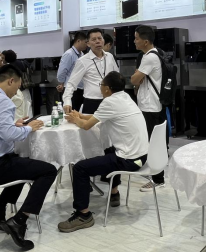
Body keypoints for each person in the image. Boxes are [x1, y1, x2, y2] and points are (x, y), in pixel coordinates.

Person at [0, 65, 57, 251]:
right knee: (48, 170)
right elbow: (9, 135)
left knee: (21, 161)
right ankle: (19, 220)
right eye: (18, 86)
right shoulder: (3, 101)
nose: (18, 90)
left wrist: (13, 124)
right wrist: (29, 128)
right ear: (11, 81)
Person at [57, 72, 149, 233]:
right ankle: (114, 192)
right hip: (141, 155)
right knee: (108, 149)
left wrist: (76, 119)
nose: (100, 87)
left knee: (79, 168)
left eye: (101, 85)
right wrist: (81, 116)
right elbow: (98, 117)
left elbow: (86, 126)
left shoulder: (109, 102)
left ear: (107, 88)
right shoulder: (125, 97)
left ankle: (83, 215)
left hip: (128, 160)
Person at [131, 25, 167, 192]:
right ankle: (155, 174)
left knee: (152, 143)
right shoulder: (157, 53)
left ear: (145, 41)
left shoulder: (149, 57)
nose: (134, 41)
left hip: (150, 106)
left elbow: (134, 79)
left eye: (137, 38)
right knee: (153, 141)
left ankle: (158, 179)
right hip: (154, 105)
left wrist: (136, 76)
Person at [63, 28, 119, 115]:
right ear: (88, 43)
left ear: (103, 40)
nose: (97, 41)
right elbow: (71, 83)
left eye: (99, 38)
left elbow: (117, 77)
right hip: (92, 102)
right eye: (94, 39)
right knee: (89, 124)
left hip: (111, 100)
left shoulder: (110, 57)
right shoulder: (83, 61)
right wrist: (67, 101)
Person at [57, 32, 88, 111]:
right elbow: (62, 72)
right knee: (71, 112)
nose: (87, 45)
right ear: (78, 41)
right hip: (71, 90)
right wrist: (62, 83)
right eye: (85, 42)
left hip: (80, 89)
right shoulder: (69, 54)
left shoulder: (82, 55)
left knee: (79, 113)